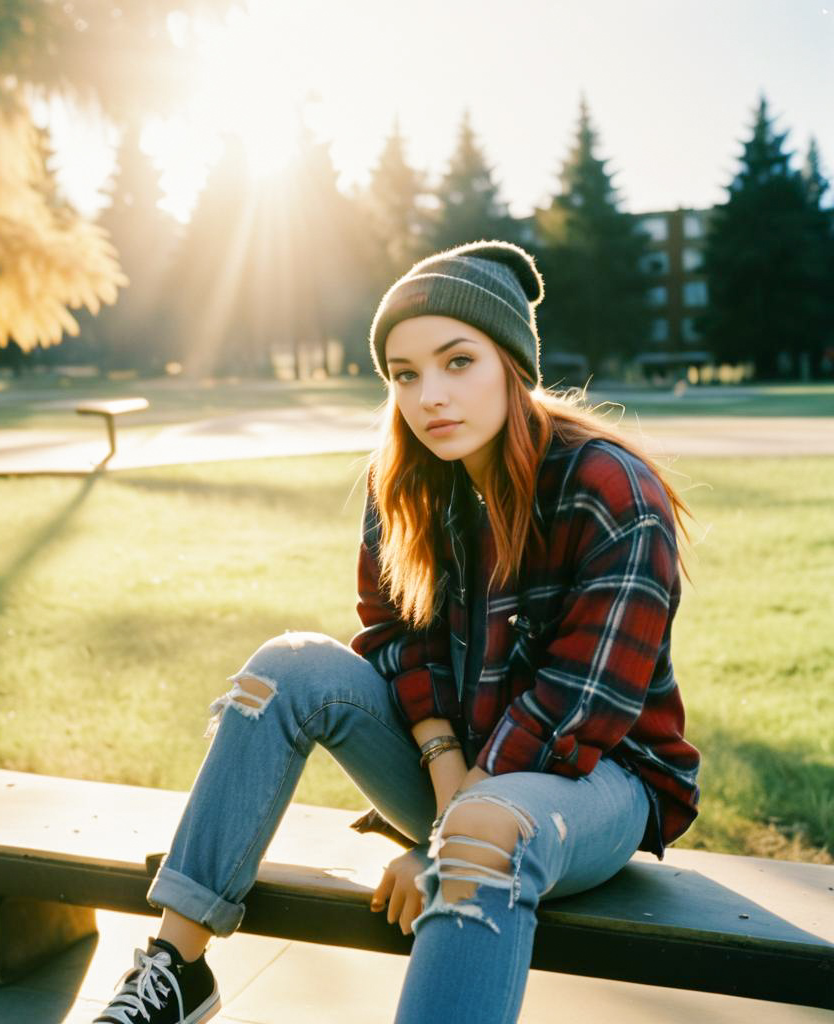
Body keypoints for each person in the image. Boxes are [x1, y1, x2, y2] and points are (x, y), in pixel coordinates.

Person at [93, 241, 701, 1024]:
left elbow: (579, 705)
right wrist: (445, 779)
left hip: (600, 783)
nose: (429, 398)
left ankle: (465, 840)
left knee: (484, 833)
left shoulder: (610, 489)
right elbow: (391, 636)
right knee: (284, 668)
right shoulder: (407, 481)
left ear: (512, 363)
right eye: (405, 374)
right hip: (459, 775)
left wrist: (442, 843)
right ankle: (176, 967)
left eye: (457, 362)